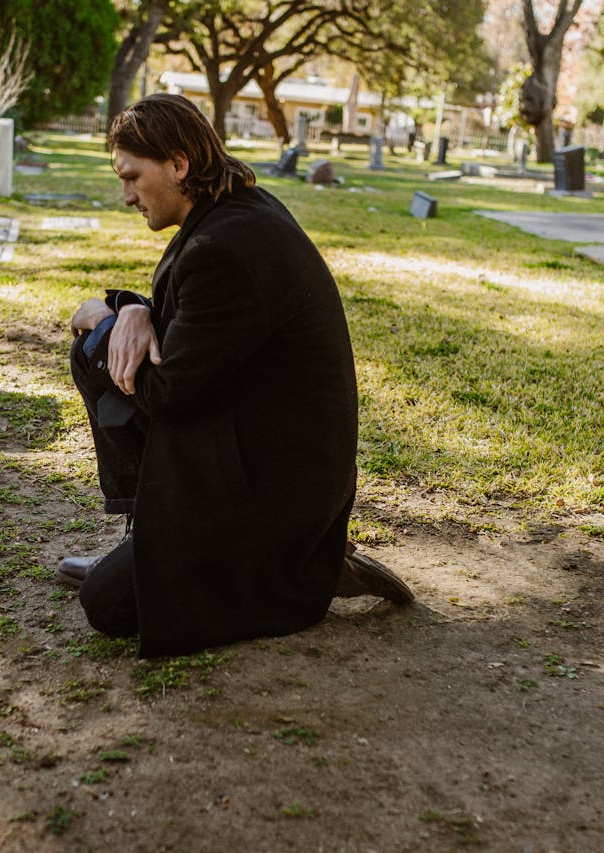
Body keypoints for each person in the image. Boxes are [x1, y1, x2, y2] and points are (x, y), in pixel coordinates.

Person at [61, 93, 411, 658]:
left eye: (132, 177)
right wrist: (130, 311)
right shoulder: (230, 214)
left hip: (273, 490)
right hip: (244, 442)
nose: (125, 196)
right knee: (95, 352)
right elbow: (183, 330)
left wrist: (106, 321)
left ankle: (305, 570)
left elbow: (169, 392)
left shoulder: (225, 247)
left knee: (108, 604)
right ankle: (146, 535)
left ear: (178, 164)